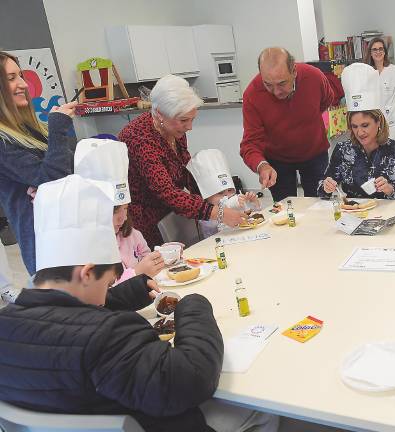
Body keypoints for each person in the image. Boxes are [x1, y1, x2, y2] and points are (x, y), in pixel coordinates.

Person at [0, 174, 279, 432]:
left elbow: (65, 320)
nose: (106, 293)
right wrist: (193, 306)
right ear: (87, 273)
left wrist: (126, 293)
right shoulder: (107, 336)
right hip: (158, 422)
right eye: (109, 283)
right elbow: (192, 379)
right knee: (262, 409)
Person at [119, 74, 245, 249]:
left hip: (170, 212)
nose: (189, 127)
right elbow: (168, 192)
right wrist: (218, 212)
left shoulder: (173, 130)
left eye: (192, 119)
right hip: (146, 220)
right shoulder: (139, 139)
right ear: (160, 114)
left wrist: (224, 199)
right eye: (184, 120)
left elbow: (186, 169)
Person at [0, 50, 78, 274]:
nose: (23, 84)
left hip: (71, 233)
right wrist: (58, 127)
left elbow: (66, 169)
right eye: (11, 78)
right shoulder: (3, 143)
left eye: (21, 76)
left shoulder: (31, 129)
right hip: (46, 249)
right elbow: (52, 177)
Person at [240, 47, 335, 202]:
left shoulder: (314, 76)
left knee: (320, 204)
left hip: (315, 153)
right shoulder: (252, 94)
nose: (276, 92)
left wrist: (307, 120)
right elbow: (250, 143)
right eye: (268, 85)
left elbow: (326, 100)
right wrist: (262, 166)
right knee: (285, 208)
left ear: (294, 71)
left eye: (282, 83)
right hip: (277, 160)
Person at [73, 138, 164, 284]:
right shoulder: (85, 250)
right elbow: (104, 293)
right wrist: (137, 273)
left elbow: (146, 258)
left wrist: (158, 257)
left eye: (126, 208)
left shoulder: (131, 235)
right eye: (114, 211)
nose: (122, 218)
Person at [319, 63, 395, 200]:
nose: (360, 132)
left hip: (387, 214)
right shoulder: (343, 150)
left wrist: (390, 190)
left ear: (378, 122)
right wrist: (326, 187)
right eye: (354, 126)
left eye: (365, 125)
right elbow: (321, 190)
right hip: (353, 214)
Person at [187, 149, 260, 238]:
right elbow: (214, 225)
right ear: (205, 197)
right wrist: (227, 208)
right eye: (220, 193)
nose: (227, 195)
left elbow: (252, 219)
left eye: (230, 190)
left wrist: (252, 204)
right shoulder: (205, 217)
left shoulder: (236, 202)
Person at [366, 37, 395, 140]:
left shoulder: (393, 70)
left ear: (385, 52)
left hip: (393, 119)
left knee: (389, 146)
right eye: (374, 49)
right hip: (374, 120)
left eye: (381, 49)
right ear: (370, 52)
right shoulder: (367, 72)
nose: (378, 52)